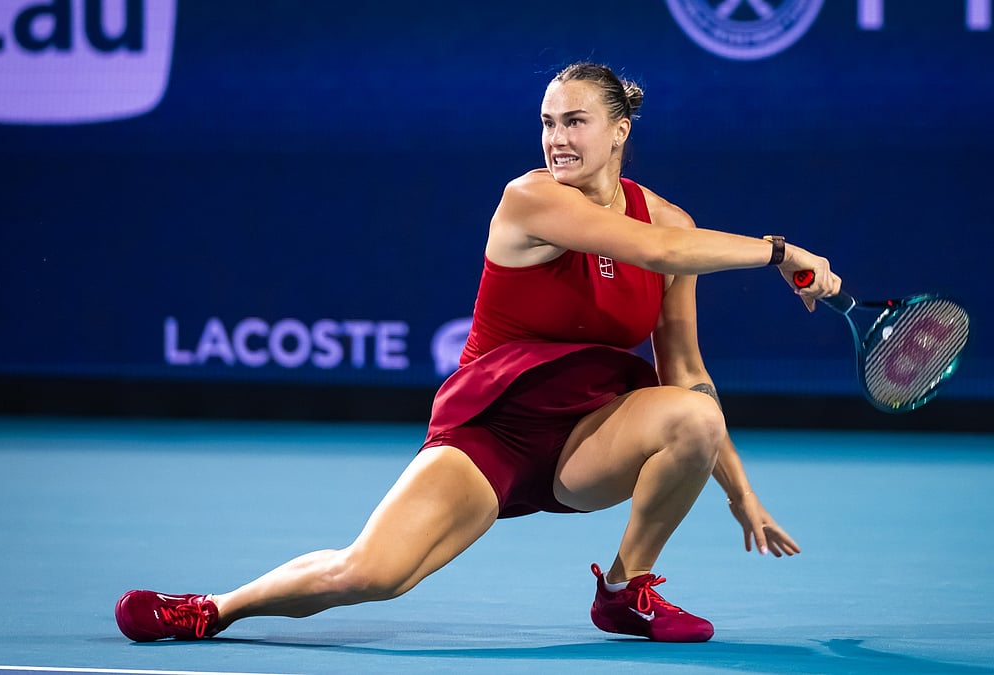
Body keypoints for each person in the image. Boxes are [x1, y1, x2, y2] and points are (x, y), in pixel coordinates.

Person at [115, 62, 841, 644]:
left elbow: (686, 372)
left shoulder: (673, 223)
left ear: (620, 130)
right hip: (491, 432)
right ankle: (214, 607)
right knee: (371, 574)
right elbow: (657, 251)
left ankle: (625, 591)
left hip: (588, 439)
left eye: (576, 122)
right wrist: (782, 252)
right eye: (548, 122)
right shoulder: (531, 199)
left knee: (692, 414)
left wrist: (740, 493)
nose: (557, 138)